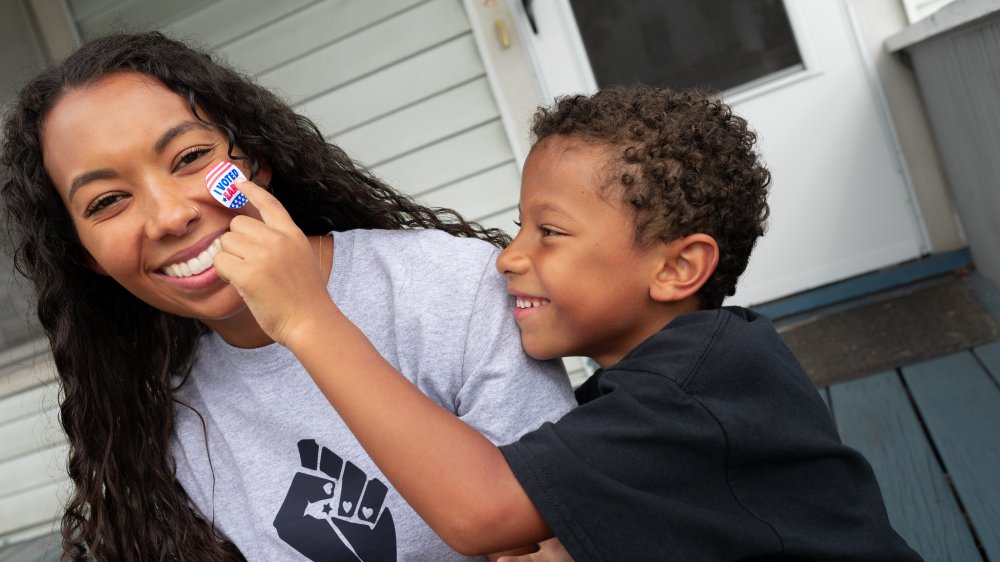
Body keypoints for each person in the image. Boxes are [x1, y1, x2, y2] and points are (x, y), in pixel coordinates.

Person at [219, 85, 922, 560]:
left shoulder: (703, 382)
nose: (508, 258)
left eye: (548, 232)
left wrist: (309, 319)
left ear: (677, 269)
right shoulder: (657, 392)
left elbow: (479, 511)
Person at [0, 32, 576, 562]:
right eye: (107, 202)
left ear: (257, 159)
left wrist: (305, 318)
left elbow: (560, 522)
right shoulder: (170, 423)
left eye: (190, 158)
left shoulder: (449, 287)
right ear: (86, 257)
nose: (170, 216)